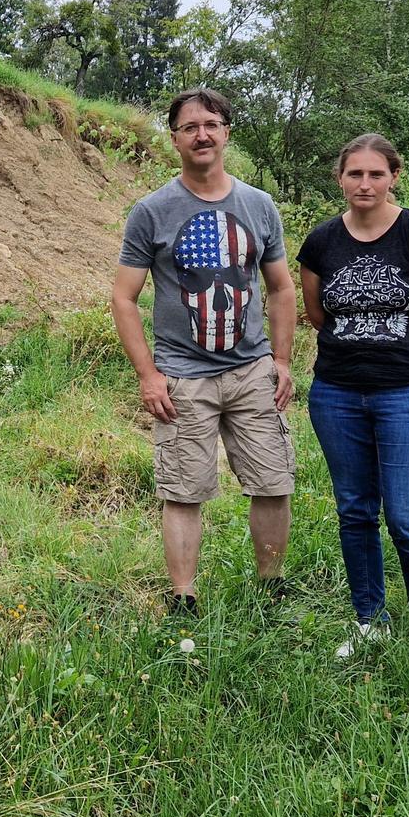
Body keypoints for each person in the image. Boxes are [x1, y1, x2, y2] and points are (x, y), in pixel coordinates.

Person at [112, 88, 297, 615]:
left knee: (272, 481)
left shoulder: (259, 206)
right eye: (189, 126)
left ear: (226, 132)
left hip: (251, 369)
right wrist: (148, 374)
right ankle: (183, 599)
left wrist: (280, 360)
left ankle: (271, 586)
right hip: (182, 378)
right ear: (174, 138)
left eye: (211, 123)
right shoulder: (152, 211)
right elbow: (124, 298)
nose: (202, 134)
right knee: (183, 490)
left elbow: (282, 287)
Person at [298, 134, 409, 660]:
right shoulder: (320, 242)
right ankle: (370, 618)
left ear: (393, 177)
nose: (365, 184)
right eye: (355, 174)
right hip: (337, 393)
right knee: (355, 510)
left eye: (376, 174)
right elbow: (318, 314)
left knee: (408, 514)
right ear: (340, 178)